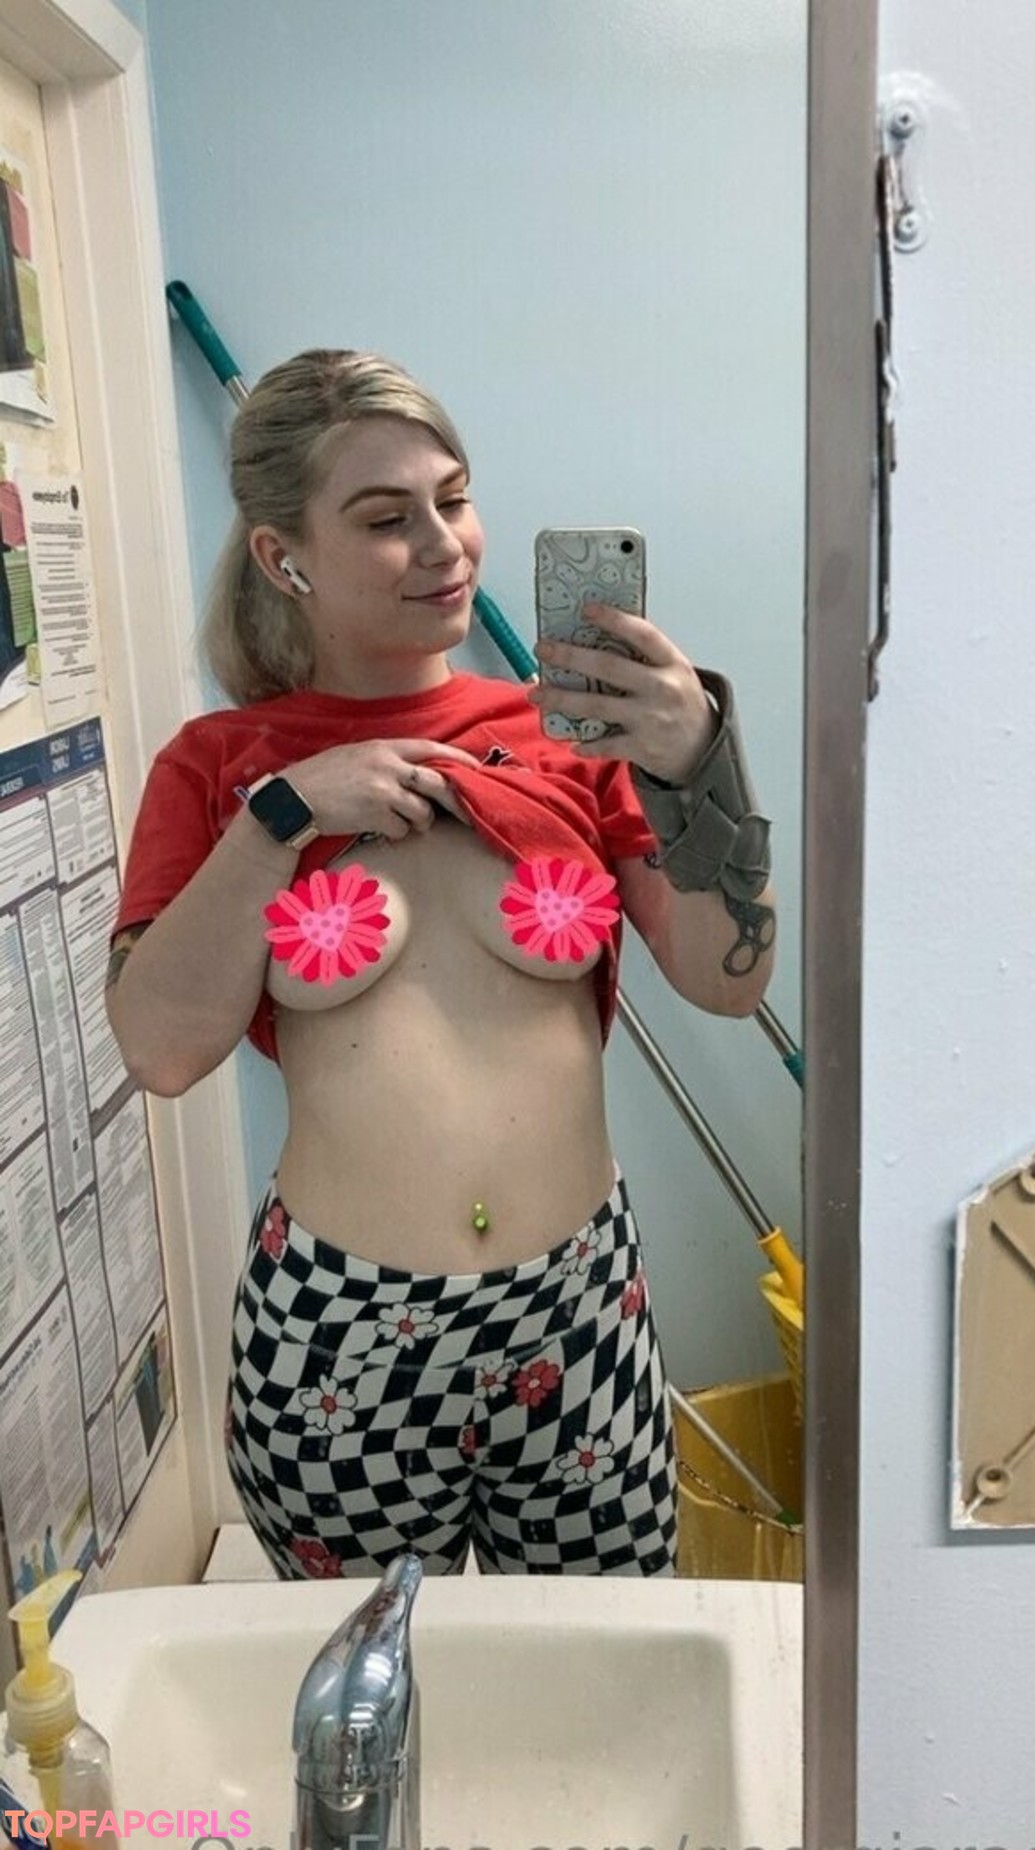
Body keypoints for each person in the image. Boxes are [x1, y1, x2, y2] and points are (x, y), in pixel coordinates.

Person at [106, 349, 776, 1580]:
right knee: (373, 1674)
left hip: (576, 1307)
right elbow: (159, 1047)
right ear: (283, 556)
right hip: (337, 1330)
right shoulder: (219, 764)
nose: (443, 544)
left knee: (597, 1662)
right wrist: (285, 813)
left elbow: (729, 980)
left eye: (453, 499)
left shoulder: (571, 738)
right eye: (385, 518)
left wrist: (700, 766)